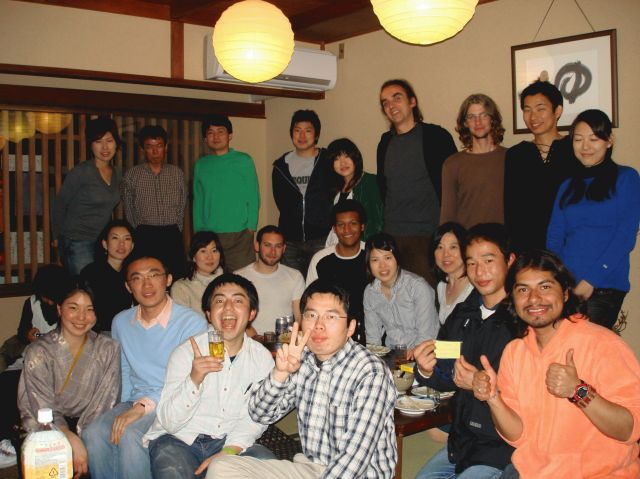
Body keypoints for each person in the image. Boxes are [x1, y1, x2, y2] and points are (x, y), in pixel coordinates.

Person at [473, 250, 640, 478]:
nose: (533, 298)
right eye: (523, 290)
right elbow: (517, 436)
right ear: (513, 299)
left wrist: (578, 391)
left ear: (565, 293)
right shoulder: (515, 352)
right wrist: (493, 399)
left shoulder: (604, 345)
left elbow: (630, 430)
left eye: (545, 287)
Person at [208, 280, 397, 478]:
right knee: (222, 467)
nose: (319, 326)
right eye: (311, 315)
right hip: (311, 469)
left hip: (356, 474)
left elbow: (354, 460)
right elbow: (260, 415)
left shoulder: (371, 372)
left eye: (331, 317)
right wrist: (280, 374)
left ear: (350, 327)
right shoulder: (303, 358)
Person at [83, 256, 207, 479]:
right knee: (93, 433)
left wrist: (141, 408)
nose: (147, 284)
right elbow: (124, 369)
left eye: (154, 275)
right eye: (137, 278)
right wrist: (121, 408)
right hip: (135, 400)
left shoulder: (191, 322)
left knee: (131, 434)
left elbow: (189, 380)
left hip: (173, 401)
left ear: (168, 279)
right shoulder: (121, 322)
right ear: (128, 286)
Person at [413, 223, 519, 478]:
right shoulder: (462, 315)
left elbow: (532, 397)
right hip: (462, 444)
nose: (479, 271)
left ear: (510, 260)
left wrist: (480, 384)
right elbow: (446, 376)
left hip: (502, 450)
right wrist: (426, 371)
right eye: (471, 263)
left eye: (489, 260)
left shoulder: (522, 320)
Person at [145, 273, 276, 479]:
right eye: (220, 301)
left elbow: (255, 418)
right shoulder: (186, 352)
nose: (228, 308)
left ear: (252, 313)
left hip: (230, 440)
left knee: (268, 466)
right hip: (178, 439)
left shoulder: (261, 358)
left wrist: (229, 451)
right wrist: (194, 380)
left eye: (238, 301)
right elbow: (169, 422)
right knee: (172, 471)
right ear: (208, 313)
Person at [547, 109, 640, 329]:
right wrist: (558, 280)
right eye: (578, 139)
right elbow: (554, 236)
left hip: (603, 287)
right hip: (566, 286)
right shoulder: (567, 185)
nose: (585, 146)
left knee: (584, 347)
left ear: (609, 141)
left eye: (593, 139)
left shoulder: (626, 178)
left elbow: (625, 236)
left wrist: (591, 281)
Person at [18, 285, 121, 478]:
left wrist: (84, 438)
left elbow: (106, 401)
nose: (82, 317)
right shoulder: (38, 351)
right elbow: (40, 404)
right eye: (73, 308)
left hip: (92, 425)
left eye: (90, 309)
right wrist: (66, 436)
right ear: (59, 309)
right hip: (46, 424)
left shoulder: (109, 348)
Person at [377, 79, 457, 283]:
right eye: (385, 102)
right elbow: (384, 187)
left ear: (412, 101)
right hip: (392, 236)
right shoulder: (385, 142)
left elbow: (454, 185)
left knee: (428, 297)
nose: (391, 105)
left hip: (427, 235)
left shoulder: (436, 136)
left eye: (397, 98)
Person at [504, 80, 578, 254]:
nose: (533, 116)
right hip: (527, 248)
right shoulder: (516, 155)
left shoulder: (576, 149)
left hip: (569, 245)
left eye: (540, 109)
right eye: (527, 110)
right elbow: (511, 211)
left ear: (557, 111)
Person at [52, 116, 123, 275]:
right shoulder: (81, 172)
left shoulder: (118, 173)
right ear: (90, 145)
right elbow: (59, 204)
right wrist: (57, 238)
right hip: (77, 241)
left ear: (116, 143)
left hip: (102, 241)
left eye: (109, 141)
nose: (105, 147)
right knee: (85, 286)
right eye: (98, 142)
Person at [193, 115, 259, 271]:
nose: (215, 137)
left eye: (220, 132)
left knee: (242, 278)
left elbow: (253, 196)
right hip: (209, 235)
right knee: (211, 280)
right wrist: (198, 232)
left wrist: (251, 227)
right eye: (210, 133)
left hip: (240, 234)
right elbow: (198, 200)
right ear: (205, 138)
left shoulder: (244, 160)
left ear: (230, 135)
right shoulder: (201, 165)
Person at [272, 110, 334, 276]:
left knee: (321, 284)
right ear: (291, 133)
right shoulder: (280, 166)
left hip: (321, 238)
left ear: (316, 134)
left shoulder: (328, 161)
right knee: (293, 285)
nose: (302, 135)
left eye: (308, 130)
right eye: (297, 130)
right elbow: (280, 201)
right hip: (290, 240)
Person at [122, 125, 187, 279]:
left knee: (176, 278)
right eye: (149, 147)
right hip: (145, 236)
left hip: (172, 234)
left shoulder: (176, 173)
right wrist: (139, 230)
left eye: (159, 146)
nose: (155, 151)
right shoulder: (132, 175)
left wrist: (176, 229)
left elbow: (182, 205)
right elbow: (129, 209)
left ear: (166, 147)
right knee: (148, 277)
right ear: (142, 149)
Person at [363, 233, 439, 355]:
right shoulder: (370, 292)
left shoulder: (417, 287)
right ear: (368, 263)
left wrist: (408, 358)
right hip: (393, 356)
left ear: (397, 258)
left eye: (388, 258)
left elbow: (426, 336)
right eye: (375, 260)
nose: (382, 266)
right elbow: (373, 338)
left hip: (424, 355)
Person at [306, 199, 368, 344]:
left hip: (371, 332)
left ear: (362, 226)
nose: (347, 230)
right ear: (334, 229)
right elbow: (310, 302)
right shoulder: (320, 260)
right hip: (331, 332)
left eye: (353, 223)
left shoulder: (373, 256)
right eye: (341, 225)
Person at [440, 94, 507, 227]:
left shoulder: (511, 158)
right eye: (471, 117)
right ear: (465, 123)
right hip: (467, 238)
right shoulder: (452, 164)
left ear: (492, 119)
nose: (478, 122)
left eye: (483, 115)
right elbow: (447, 216)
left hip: (503, 238)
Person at [0, 264, 72, 372]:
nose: (50, 302)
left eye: (53, 297)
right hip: (34, 357)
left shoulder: (71, 305)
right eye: (46, 297)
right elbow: (21, 333)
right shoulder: (31, 303)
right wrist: (28, 335)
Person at [235, 225, 305, 335]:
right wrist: (254, 337)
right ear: (257, 246)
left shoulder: (295, 277)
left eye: (278, 246)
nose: (273, 252)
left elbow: (300, 317)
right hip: (248, 340)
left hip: (284, 341)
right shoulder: (239, 277)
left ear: (284, 249)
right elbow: (235, 316)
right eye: (267, 245)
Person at [325, 138, 383, 245]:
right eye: (336, 159)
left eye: (347, 156)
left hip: (366, 247)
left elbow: (379, 221)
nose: (343, 163)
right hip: (339, 247)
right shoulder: (334, 189)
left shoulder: (371, 182)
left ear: (355, 158)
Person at [80, 219, 134, 334]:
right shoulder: (92, 272)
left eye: (127, 239)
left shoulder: (133, 273)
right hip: (99, 333)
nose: (121, 244)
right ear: (105, 244)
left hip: (127, 330)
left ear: (132, 246)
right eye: (115, 238)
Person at [171, 231, 225, 316]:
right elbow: (184, 320)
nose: (210, 257)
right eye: (203, 251)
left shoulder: (231, 283)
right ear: (193, 257)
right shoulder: (181, 287)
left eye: (214, 251)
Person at [431, 222, 473, 325]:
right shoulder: (440, 287)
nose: (446, 254)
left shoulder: (475, 288)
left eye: (453, 247)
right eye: (440, 247)